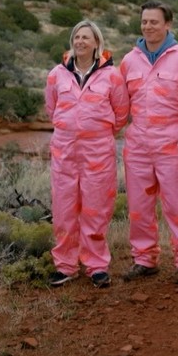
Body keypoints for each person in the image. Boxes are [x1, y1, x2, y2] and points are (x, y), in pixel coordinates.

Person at [119, 0, 178, 286]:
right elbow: (119, 103)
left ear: (168, 24)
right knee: (139, 205)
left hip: (173, 143)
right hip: (138, 143)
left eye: (154, 21)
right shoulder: (129, 61)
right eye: (144, 22)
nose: (148, 26)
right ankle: (144, 259)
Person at [45, 20, 129, 289]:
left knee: (96, 208)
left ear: (97, 43)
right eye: (77, 37)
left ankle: (96, 266)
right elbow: (51, 108)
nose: (80, 41)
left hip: (98, 152)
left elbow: (121, 113)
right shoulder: (57, 74)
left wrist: (96, 132)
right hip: (65, 151)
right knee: (64, 209)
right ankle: (65, 265)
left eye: (86, 37)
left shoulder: (112, 76)